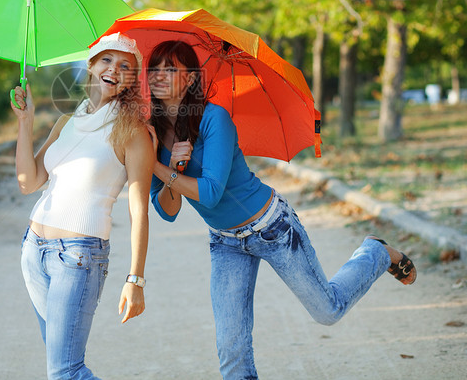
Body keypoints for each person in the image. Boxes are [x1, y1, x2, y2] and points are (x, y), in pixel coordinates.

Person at [145, 40, 416, 380]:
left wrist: (160, 169)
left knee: (328, 311)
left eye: (170, 69)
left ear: (189, 79)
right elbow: (168, 211)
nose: (159, 76)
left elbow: (211, 194)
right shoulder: (151, 135)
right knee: (232, 346)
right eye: (154, 68)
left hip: (272, 228)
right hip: (226, 242)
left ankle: (374, 253)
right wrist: (170, 166)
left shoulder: (216, 119)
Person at [11, 32, 154, 380]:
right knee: (59, 364)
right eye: (106, 60)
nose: (114, 70)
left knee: (65, 371)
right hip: (34, 251)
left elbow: (139, 211)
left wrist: (135, 279)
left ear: (131, 79)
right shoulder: (65, 122)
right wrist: (25, 122)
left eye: (124, 66)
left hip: (79, 257)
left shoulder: (133, 132)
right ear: (91, 65)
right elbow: (28, 182)